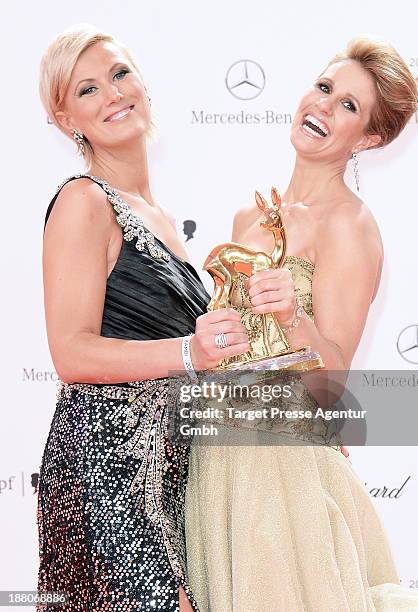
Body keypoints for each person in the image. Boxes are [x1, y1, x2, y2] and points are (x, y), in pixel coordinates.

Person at [185, 38, 418, 611]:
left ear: (368, 138)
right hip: (216, 456)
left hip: (282, 465)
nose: (324, 107)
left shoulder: (351, 226)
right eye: (324, 88)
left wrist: (294, 315)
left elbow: (335, 375)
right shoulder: (249, 215)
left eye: (348, 107)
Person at [36, 23, 251, 611]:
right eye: (87, 89)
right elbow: (71, 354)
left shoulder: (160, 214)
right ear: (65, 119)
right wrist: (190, 353)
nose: (112, 93)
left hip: (171, 470)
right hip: (110, 469)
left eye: (120, 73)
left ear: (143, 84)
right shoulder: (84, 200)